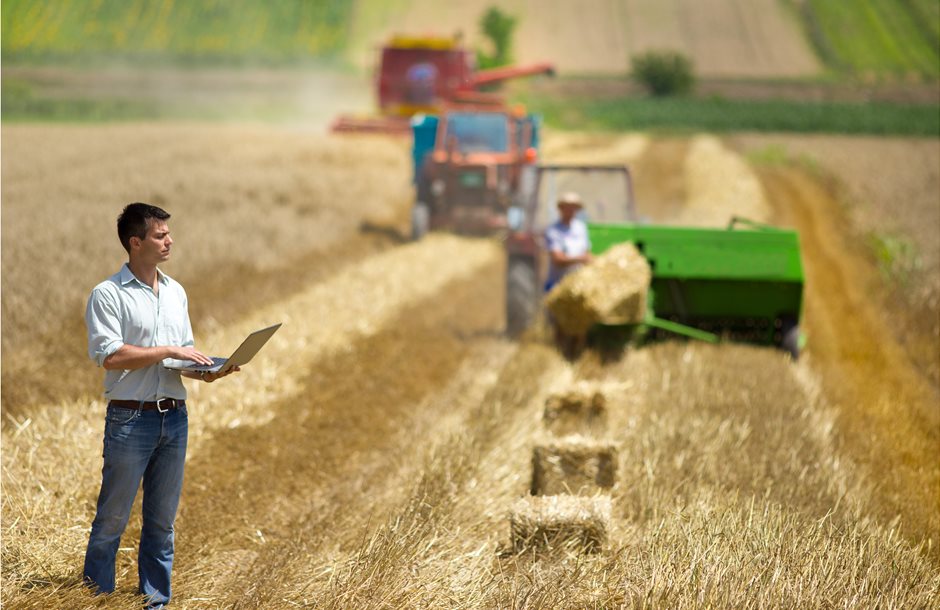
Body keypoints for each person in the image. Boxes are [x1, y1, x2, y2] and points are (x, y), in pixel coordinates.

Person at [83, 202, 237, 609]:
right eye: (159, 235)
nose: (169, 241)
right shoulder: (107, 294)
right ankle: (96, 599)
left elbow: (179, 360)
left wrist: (209, 372)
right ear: (136, 243)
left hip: (175, 417)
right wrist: (166, 348)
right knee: (112, 520)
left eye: (168, 233)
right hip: (130, 418)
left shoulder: (176, 292)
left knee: (161, 524)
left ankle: (156, 602)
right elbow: (110, 356)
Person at [544, 191, 592, 292]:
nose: (571, 210)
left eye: (573, 207)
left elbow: (587, 253)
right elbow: (557, 259)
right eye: (568, 207)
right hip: (558, 286)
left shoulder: (581, 228)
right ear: (561, 208)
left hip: (578, 285)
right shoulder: (553, 231)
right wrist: (580, 259)